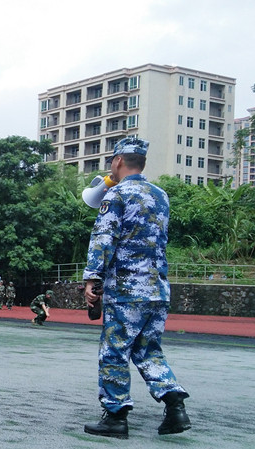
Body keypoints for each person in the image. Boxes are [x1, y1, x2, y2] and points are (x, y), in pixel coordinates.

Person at [82, 137, 191, 439]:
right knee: (147, 350)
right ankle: (174, 402)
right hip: (157, 289)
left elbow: (104, 238)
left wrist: (92, 278)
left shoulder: (116, 195)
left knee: (114, 351)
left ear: (117, 161)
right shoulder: (161, 195)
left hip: (127, 291)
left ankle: (115, 416)